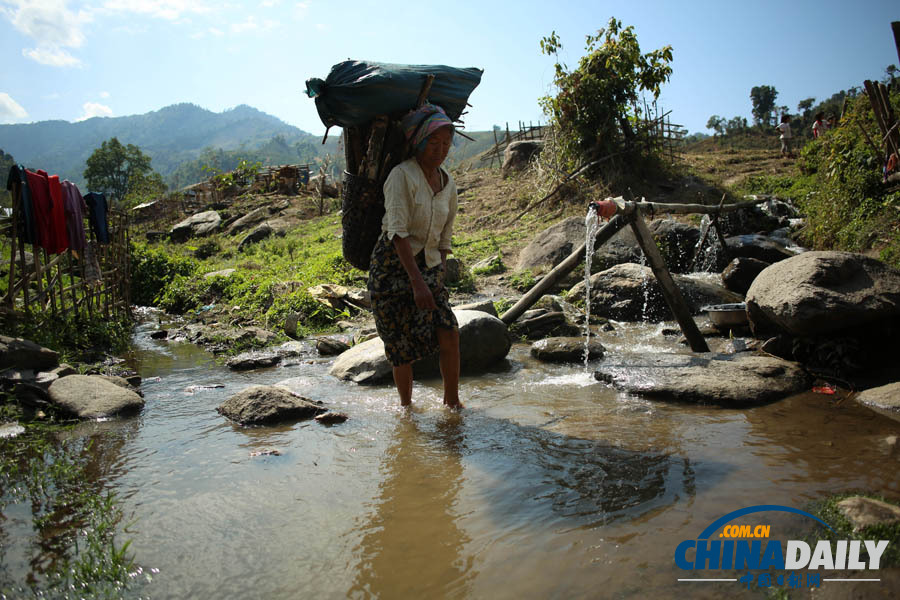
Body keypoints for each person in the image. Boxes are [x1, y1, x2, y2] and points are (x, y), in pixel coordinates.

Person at [367, 102, 462, 409]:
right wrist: (417, 282)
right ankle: (407, 411)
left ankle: (452, 403)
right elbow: (397, 231)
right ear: (419, 142)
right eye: (434, 143)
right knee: (400, 344)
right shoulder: (401, 176)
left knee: (448, 330)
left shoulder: (449, 184)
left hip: (430, 266)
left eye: (446, 144)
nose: (440, 150)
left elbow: (445, 236)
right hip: (393, 268)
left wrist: (438, 275)